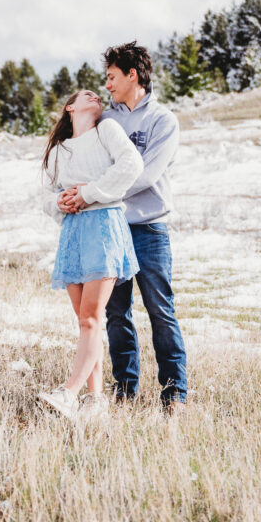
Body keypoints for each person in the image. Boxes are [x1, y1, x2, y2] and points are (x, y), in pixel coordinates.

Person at [59, 41, 187, 413]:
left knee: (160, 308)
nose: (107, 86)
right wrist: (74, 196)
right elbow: (88, 165)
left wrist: (93, 193)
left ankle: (174, 393)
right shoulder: (106, 121)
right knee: (115, 313)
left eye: (112, 77)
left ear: (133, 75)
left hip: (148, 228)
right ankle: (124, 388)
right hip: (111, 228)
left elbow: (145, 174)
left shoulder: (162, 120)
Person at [39, 89, 144, 420]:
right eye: (87, 94)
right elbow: (44, 194)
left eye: (99, 93)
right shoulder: (59, 150)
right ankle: (95, 400)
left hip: (103, 225)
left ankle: (70, 393)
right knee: (86, 323)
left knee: (91, 318)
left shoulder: (107, 131)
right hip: (72, 232)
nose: (97, 96)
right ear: (71, 107)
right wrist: (59, 203)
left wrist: (89, 193)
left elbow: (132, 164)